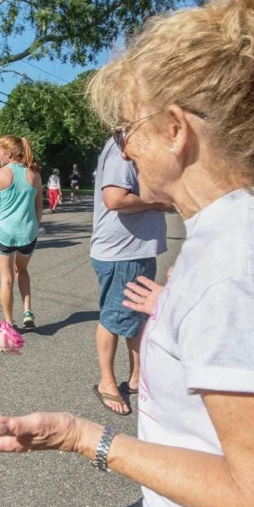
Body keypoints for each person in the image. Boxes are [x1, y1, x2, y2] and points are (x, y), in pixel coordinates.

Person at [0, 0, 254, 507]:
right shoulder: (250, 225)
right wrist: (176, 307)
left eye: (126, 129)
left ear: (175, 129)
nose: (124, 151)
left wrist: (82, 437)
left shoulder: (240, 262)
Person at [90, 137, 169, 415]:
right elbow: (115, 198)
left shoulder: (135, 145)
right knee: (113, 319)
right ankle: (106, 383)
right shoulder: (120, 146)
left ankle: (137, 378)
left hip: (135, 250)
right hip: (122, 253)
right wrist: (158, 201)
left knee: (136, 316)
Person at [0, 136, 42, 329]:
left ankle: (9, 322)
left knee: (6, 278)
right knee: (22, 270)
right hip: (27, 233)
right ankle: (27, 311)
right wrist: (34, 227)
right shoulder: (34, 174)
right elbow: (39, 208)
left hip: (5, 232)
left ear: (8, 153)